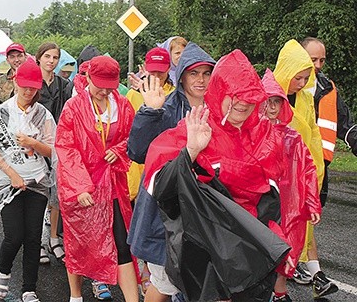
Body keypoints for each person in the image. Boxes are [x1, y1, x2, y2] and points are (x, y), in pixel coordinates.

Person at [143, 50, 292, 301]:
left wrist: (277, 242)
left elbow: (277, 199)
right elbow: (160, 187)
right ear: (220, 92)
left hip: (248, 252)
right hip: (205, 251)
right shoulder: (195, 126)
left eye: (249, 97)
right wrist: (191, 151)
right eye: (234, 96)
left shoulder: (266, 136)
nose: (242, 103)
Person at [127, 42, 215, 302]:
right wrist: (150, 111)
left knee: (199, 279)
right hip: (165, 209)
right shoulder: (165, 106)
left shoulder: (220, 107)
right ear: (183, 74)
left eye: (206, 73)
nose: (201, 80)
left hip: (203, 209)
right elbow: (138, 152)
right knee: (166, 282)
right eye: (194, 73)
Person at [55, 56, 138, 302]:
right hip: (82, 186)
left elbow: (133, 136)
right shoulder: (74, 107)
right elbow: (66, 147)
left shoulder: (122, 105)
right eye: (99, 84)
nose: (104, 91)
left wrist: (120, 149)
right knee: (79, 242)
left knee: (122, 244)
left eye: (109, 85)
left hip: (113, 184)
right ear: (88, 78)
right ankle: (76, 295)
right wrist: (80, 186)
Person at [0, 59, 56, 302]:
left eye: (33, 87)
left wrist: (34, 144)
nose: (28, 91)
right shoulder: (3, 111)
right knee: (14, 235)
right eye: (24, 86)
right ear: (15, 82)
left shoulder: (43, 114)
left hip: (37, 182)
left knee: (34, 237)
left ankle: (29, 288)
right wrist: (11, 174)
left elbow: (54, 150)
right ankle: (2, 275)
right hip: (8, 182)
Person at [273, 39, 338, 298]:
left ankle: (306, 278)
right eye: (298, 77)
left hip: (303, 174)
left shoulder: (305, 98)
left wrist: (316, 176)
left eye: (305, 78)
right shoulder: (269, 96)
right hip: (277, 177)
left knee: (300, 226)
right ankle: (283, 287)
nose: (301, 83)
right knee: (277, 232)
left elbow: (312, 137)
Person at [261, 69, 321, 302]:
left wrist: (312, 203)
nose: (273, 107)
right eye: (268, 101)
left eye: (277, 101)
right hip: (263, 206)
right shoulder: (250, 134)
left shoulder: (292, 137)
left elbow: (307, 170)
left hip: (289, 206)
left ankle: (280, 293)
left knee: (287, 250)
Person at [301, 37, 357, 206]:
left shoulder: (329, 89)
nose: (318, 65)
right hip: (292, 168)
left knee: (311, 222)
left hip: (320, 170)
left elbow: (347, 126)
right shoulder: (286, 86)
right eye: (313, 60)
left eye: (322, 60)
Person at [35, 42, 72, 265]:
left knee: (56, 195)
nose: (51, 61)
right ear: (39, 58)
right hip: (36, 142)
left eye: (55, 57)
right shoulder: (32, 82)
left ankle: (53, 238)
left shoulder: (63, 84)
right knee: (39, 193)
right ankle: (38, 241)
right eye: (47, 56)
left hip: (59, 145)